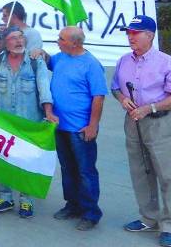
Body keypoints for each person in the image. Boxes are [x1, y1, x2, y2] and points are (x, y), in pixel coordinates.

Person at [0, 26, 56, 218]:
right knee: (2, 158)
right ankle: (5, 197)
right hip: (4, 124)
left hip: (29, 123)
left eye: (21, 37)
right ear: (5, 43)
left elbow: (44, 88)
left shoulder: (36, 62)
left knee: (26, 160)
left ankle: (26, 200)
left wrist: (49, 112)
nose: (19, 41)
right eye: (13, 38)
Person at [34, 26, 106, 231]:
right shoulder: (62, 57)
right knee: (68, 169)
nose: (58, 41)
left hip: (81, 129)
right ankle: (72, 205)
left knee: (85, 171)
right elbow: (49, 61)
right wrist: (42, 53)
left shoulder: (91, 64)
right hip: (60, 126)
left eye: (61, 38)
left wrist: (93, 125)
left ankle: (91, 213)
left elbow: (98, 97)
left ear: (75, 43)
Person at [110, 15, 171, 246]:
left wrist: (150, 108)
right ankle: (149, 217)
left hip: (159, 123)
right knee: (140, 172)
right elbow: (115, 87)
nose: (130, 36)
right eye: (129, 32)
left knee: (167, 175)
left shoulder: (166, 62)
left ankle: (168, 225)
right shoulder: (124, 60)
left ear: (150, 35)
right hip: (133, 123)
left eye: (135, 33)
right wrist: (123, 99)